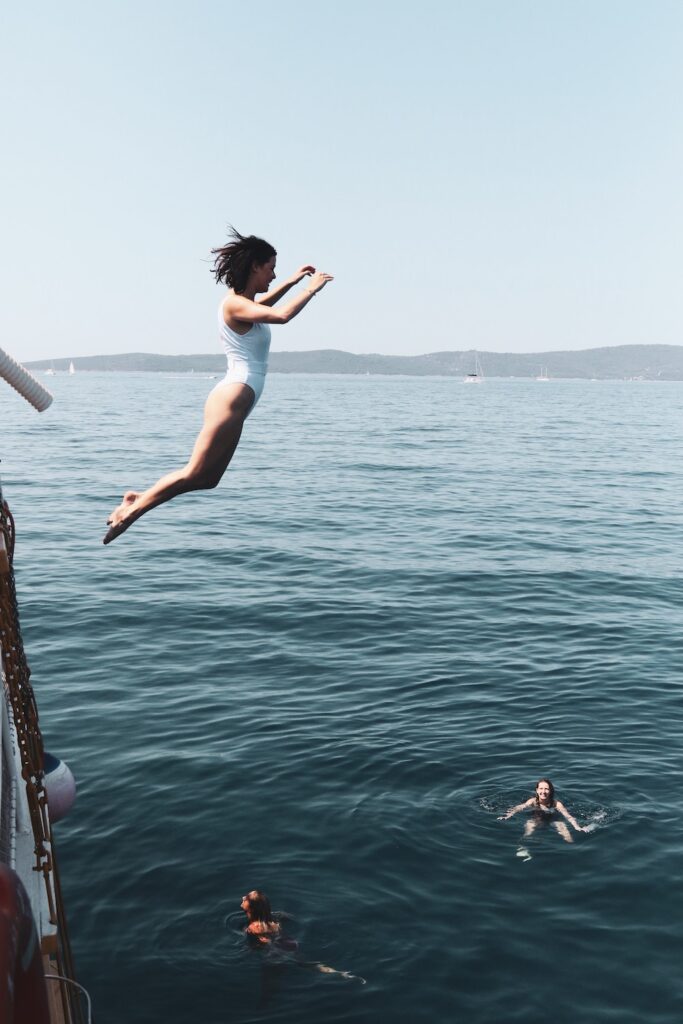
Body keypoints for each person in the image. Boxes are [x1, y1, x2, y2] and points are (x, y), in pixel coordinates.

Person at [103, 228, 333, 544]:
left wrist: (292, 282)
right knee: (193, 470)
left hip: (239, 401)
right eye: (271, 268)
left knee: (208, 479)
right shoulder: (233, 305)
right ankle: (134, 505)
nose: (273, 274)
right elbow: (279, 315)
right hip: (231, 398)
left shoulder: (244, 303)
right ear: (255, 266)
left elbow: (265, 302)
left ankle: (138, 500)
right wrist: (311, 290)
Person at [241, 890, 364, 982]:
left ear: (251, 908)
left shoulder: (253, 927)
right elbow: (285, 918)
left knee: (269, 981)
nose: (243, 898)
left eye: (245, 898)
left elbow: (258, 945)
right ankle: (340, 973)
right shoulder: (274, 920)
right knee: (308, 964)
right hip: (290, 944)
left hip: (276, 951)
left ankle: (266, 1001)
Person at [498, 778, 588, 844]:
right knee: (529, 830)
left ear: (550, 791)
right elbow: (519, 807)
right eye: (541, 789)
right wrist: (508, 815)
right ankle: (522, 846)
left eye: (546, 789)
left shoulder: (556, 804)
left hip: (554, 819)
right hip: (536, 818)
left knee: (567, 836)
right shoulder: (532, 801)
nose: (543, 791)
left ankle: (572, 851)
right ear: (537, 790)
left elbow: (568, 816)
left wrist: (577, 827)